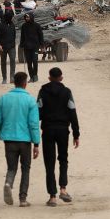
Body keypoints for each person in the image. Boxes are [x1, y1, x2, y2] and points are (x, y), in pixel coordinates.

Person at [37, 67, 80, 206]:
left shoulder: (43, 92)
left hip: (48, 130)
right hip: (63, 130)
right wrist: (76, 133)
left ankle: (52, 196)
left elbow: (38, 112)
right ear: (61, 78)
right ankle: (63, 189)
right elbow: (72, 112)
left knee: (49, 163)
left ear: (49, 78)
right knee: (63, 159)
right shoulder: (67, 92)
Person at [0, 72, 41, 207]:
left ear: (13, 82)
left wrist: (1, 132)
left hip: (9, 139)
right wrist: (36, 143)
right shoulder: (30, 100)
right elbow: (33, 124)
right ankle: (23, 198)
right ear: (25, 83)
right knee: (25, 168)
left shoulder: (4, 99)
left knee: (11, 167)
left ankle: (8, 183)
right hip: (25, 140)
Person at [18, 12, 44, 83]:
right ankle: (31, 77)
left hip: (35, 46)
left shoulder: (37, 25)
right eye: (26, 17)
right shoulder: (24, 26)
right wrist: (21, 44)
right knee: (29, 63)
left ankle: (35, 75)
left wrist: (42, 45)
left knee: (35, 61)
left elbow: (41, 36)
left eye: (28, 17)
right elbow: (22, 36)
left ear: (31, 17)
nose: (27, 18)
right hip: (27, 46)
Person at [0, 16, 17, 85]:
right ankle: (4, 78)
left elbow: (14, 35)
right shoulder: (0, 25)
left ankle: (12, 77)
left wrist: (14, 43)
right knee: (3, 62)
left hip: (12, 47)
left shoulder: (12, 25)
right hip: (3, 47)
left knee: (13, 60)